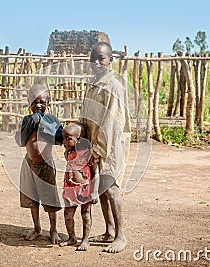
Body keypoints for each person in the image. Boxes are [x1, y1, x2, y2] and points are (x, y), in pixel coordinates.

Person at [80, 42, 131, 253]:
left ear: (110, 60)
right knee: (100, 188)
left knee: (111, 187)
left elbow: (111, 123)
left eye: (101, 58)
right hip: (95, 143)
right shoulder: (94, 83)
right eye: (93, 58)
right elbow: (86, 116)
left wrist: (98, 149)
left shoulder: (113, 86)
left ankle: (121, 236)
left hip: (110, 144)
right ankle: (109, 230)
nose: (96, 62)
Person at [15, 84, 63, 244]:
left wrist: (45, 124)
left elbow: (59, 139)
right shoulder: (26, 120)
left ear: (48, 103)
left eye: (42, 102)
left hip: (46, 165)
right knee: (32, 198)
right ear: (29, 104)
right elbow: (20, 141)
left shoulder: (52, 121)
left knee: (50, 199)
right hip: (29, 165)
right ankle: (37, 228)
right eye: (34, 102)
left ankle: (53, 229)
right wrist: (30, 124)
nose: (38, 106)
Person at [59, 122, 99, 251]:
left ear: (79, 140)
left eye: (68, 138)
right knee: (68, 214)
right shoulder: (68, 153)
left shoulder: (89, 154)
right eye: (63, 138)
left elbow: (95, 172)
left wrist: (95, 192)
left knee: (85, 214)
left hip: (85, 189)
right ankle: (71, 238)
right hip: (70, 188)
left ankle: (85, 240)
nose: (64, 141)